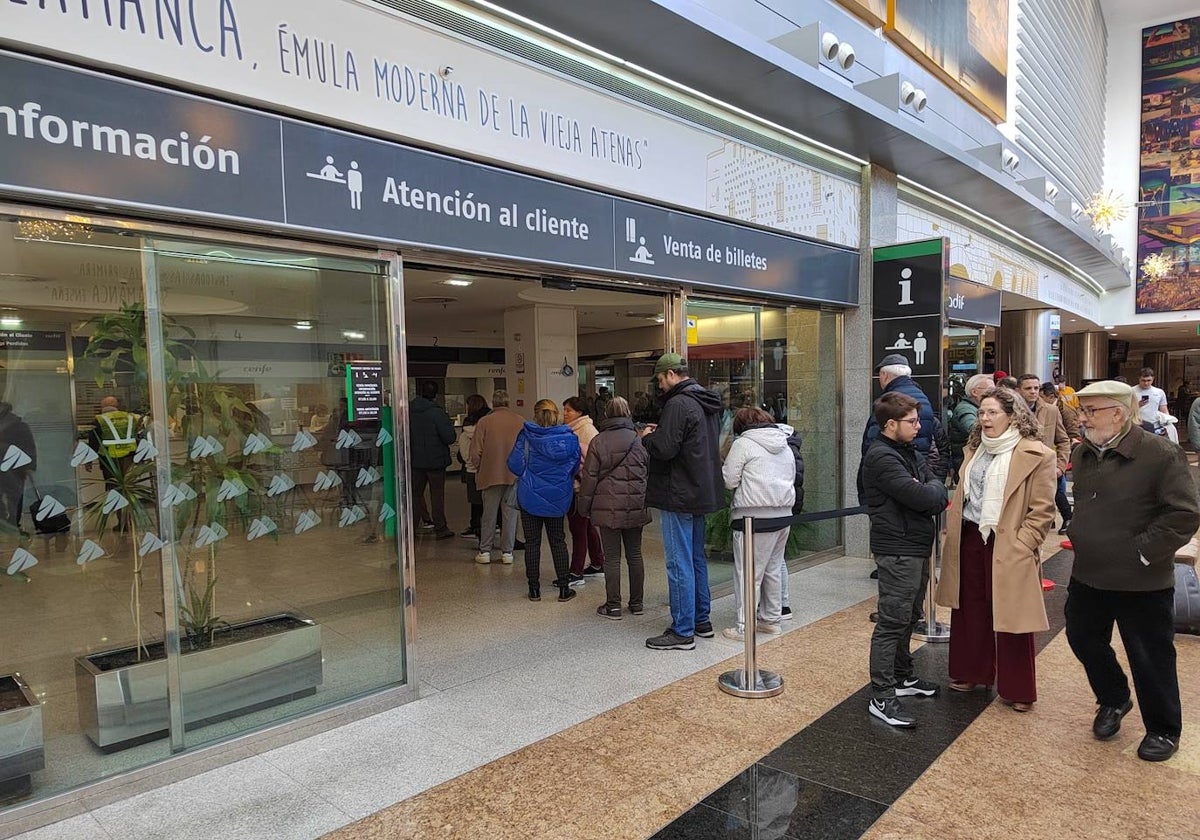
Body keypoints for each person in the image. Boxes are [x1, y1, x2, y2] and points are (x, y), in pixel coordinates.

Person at [1065, 380, 1199, 762]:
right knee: (1082, 637)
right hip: (1089, 574)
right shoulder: (1086, 453)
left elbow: (1183, 514)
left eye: (1092, 411)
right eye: (1082, 410)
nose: (1083, 418)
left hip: (1141, 580)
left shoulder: (1159, 454)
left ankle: (1163, 728)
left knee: (1149, 655)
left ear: (1119, 413)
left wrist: (1142, 553)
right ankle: (1113, 698)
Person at [936, 388, 1056, 712]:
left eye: (992, 413)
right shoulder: (974, 449)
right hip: (971, 538)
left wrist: (1024, 543)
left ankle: (1018, 688)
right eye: (982, 413)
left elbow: (1043, 510)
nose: (985, 419)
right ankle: (971, 672)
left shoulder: (1037, 454)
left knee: (1012, 615)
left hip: (1009, 541)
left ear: (1013, 416)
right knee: (969, 608)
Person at [859, 392, 948, 727]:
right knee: (892, 621)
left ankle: (901, 675)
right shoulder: (881, 456)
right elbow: (924, 495)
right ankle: (881, 696)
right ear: (890, 424)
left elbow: (935, 484)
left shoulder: (907, 450)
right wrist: (929, 490)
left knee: (910, 614)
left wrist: (930, 489)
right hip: (897, 549)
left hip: (915, 544)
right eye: (911, 422)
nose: (918, 426)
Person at [641, 352, 723, 651]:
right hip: (701, 489)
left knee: (679, 562)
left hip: (679, 492)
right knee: (696, 558)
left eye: (661, 380)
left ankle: (682, 630)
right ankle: (701, 621)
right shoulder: (707, 402)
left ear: (672, 374)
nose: (660, 386)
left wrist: (647, 437)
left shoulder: (678, 403)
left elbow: (665, 448)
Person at [720, 407, 795, 641]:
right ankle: (771, 620)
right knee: (773, 569)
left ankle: (745, 625)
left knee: (748, 573)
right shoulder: (785, 442)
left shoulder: (743, 444)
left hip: (752, 517)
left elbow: (730, 480)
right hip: (784, 514)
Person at [577, 397, 650, 620]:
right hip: (636, 505)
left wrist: (583, 507)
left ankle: (614, 606)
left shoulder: (599, 442)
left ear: (606, 414)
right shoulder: (639, 440)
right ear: (628, 413)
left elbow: (589, 478)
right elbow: (647, 471)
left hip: (607, 507)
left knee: (612, 558)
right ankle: (637, 604)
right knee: (635, 555)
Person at [507, 399, 581, 603]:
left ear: (535, 414)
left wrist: (529, 474)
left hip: (529, 496)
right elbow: (575, 466)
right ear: (556, 414)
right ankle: (564, 589)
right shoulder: (569, 438)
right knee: (558, 542)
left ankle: (534, 590)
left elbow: (514, 464)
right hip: (559, 496)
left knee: (532, 543)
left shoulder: (526, 436)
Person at [470, 390, 525, 565]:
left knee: (489, 514)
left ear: (493, 404)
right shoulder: (520, 421)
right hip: (514, 475)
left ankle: (485, 551)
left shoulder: (484, 422)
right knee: (511, 515)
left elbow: (475, 452)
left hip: (490, 475)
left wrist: (481, 467)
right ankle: (507, 552)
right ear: (508, 403)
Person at [1018, 374, 1072, 534]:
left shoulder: (1051, 410)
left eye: (1036, 388)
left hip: (1044, 467)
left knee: (1051, 498)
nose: (1033, 392)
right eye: (1028, 388)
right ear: (1019, 390)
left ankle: (1066, 518)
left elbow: (1063, 440)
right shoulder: (1010, 411)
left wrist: (1060, 467)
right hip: (1019, 468)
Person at [562, 396, 604, 581]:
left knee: (578, 528)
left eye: (568, 410)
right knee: (587, 528)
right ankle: (597, 562)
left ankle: (576, 571)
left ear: (579, 412)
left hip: (580, 488)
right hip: (581, 487)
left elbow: (592, 463)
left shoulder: (586, 431)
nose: (565, 413)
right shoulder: (574, 429)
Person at [408, 380, 456, 539]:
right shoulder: (437, 413)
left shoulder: (409, 411)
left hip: (415, 461)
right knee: (437, 495)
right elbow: (449, 437)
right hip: (436, 461)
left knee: (415, 494)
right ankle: (440, 528)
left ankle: (412, 528)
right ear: (435, 395)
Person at [947, 374, 993, 483]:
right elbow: (973, 429)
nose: (994, 393)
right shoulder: (965, 409)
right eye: (990, 390)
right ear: (974, 392)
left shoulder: (976, 407)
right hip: (967, 464)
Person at [456, 394, 490, 539]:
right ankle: (495, 525)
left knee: (475, 501)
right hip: (489, 469)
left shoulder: (466, 432)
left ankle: (476, 526)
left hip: (471, 470)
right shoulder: (489, 425)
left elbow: (463, 454)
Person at [0, 401, 36, 529]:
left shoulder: (16, 424)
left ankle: (10, 521)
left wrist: (30, 465)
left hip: (14, 466)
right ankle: (10, 521)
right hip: (16, 466)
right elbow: (29, 445)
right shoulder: (18, 424)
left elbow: (27, 445)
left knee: (14, 495)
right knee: (14, 495)